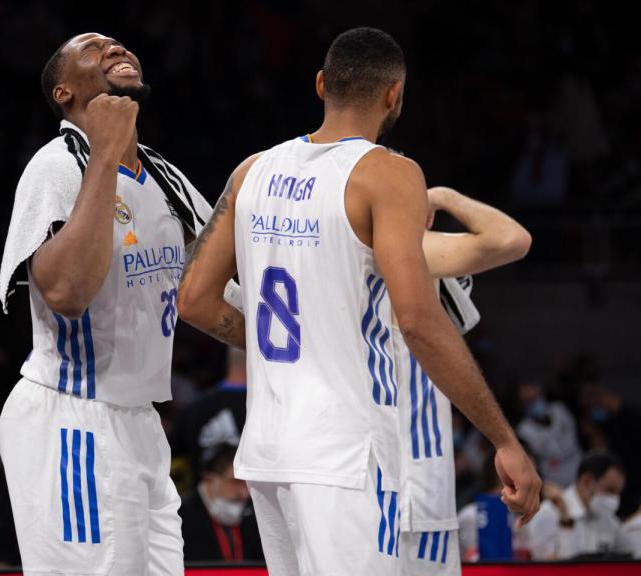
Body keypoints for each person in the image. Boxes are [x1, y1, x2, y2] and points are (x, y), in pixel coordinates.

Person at [176, 27, 541, 575]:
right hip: (345, 451)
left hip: (269, 452)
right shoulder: (389, 174)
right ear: (394, 94)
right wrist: (504, 438)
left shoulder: (251, 171)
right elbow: (417, 319)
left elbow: (194, 301)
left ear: (321, 84)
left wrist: (281, 349)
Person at [0, 33, 219, 574]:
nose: (116, 50)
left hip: (140, 421)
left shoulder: (163, 175)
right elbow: (67, 294)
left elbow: (220, 290)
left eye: (120, 44)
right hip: (73, 417)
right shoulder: (56, 166)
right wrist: (106, 154)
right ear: (64, 92)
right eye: (94, 49)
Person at [393, 184, 532, 576]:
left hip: (346, 468)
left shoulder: (324, 252)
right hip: (411, 479)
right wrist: (439, 196)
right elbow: (512, 238)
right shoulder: (410, 252)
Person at [527, 451, 632, 559]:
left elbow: (632, 556)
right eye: (610, 490)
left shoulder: (608, 519)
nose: (614, 499)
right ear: (586, 481)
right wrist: (566, 521)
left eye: (618, 493)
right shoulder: (547, 513)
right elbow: (546, 569)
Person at [178, 443, 263, 562]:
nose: (244, 493)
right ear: (209, 479)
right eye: (235, 482)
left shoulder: (255, 515)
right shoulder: (179, 515)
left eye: (248, 484)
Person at [176, 347, 248, 484]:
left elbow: (173, 460)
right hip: (260, 501)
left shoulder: (194, 409)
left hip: (202, 498)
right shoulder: (271, 410)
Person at [516, 379, 581, 487]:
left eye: (535, 398)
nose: (534, 403)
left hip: (578, 469)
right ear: (522, 405)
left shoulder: (560, 410)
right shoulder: (524, 431)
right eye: (529, 401)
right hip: (555, 482)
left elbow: (576, 436)